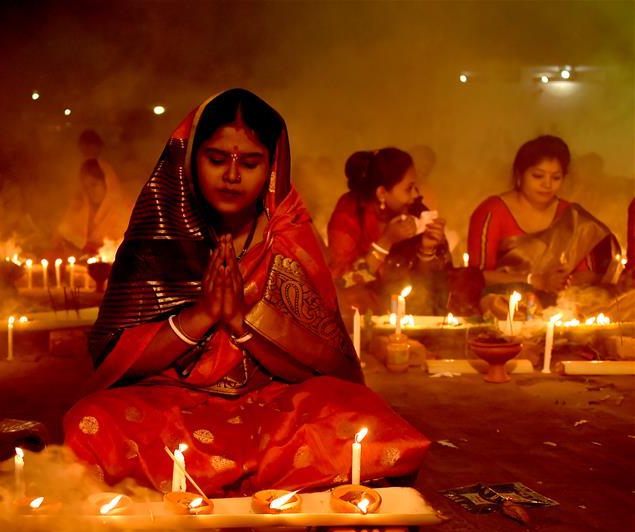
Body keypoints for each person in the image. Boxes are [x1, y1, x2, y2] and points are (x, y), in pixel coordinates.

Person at [64, 89, 429, 496]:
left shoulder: (287, 234)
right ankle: (276, 483)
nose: (232, 174)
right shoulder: (161, 232)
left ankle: (202, 483)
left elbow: (326, 363)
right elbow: (114, 357)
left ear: (272, 167)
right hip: (173, 404)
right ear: (190, 160)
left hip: (272, 404)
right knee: (90, 421)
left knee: (367, 420)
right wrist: (200, 316)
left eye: (250, 162)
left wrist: (243, 324)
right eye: (217, 159)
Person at [467, 135, 621, 312]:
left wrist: (564, 282)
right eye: (538, 176)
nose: (547, 184)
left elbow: (589, 273)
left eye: (556, 178)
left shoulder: (572, 217)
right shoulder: (492, 211)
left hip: (561, 305)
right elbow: (477, 277)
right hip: (506, 304)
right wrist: (535, 280)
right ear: (519, 174)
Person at [326, 148, 459, 315]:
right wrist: (385, 242)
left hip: (407, 307)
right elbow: (341, 283)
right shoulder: (350, 215)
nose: (414, 195)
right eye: (408, 188)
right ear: (382, 193)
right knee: (352, 300)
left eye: (415, 187)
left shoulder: (415, 210)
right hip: (363, 311)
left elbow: (431, 285)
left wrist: (427, 249)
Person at [57, 130, 132, 255]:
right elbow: (63, 234)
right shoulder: (81, 208)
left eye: (94, 185)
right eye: (86, 187)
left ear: (108, 184)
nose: (89, 191)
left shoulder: (125, 212)